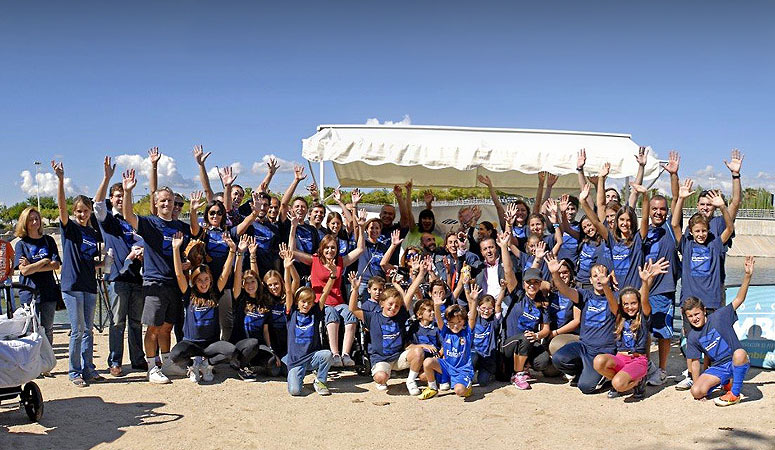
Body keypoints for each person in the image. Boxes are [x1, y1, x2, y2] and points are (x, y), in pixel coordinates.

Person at [122, 167, 192, 384]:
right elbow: (128, 216)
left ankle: (167, 362)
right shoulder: (150, 223)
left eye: (170, 200)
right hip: (155, 282)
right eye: (162, 201)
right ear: (156, 203)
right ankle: (152, 367)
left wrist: (188, 263)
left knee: (167, 327)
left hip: (175, 284)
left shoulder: (181, 227)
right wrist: (128, 192)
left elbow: (188, 254)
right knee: (153, 328)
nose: (167, 204)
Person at [672, 180, 735, 390]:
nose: (700, 234)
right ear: (691, 232)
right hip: (690, 301)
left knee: (711, 341)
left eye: (703, 231)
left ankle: (709, 374)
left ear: (708, 230)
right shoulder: (687, 245)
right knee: (691, 340)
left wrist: (723, 207)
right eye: (697, 231)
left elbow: (730, 227)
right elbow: (675, 225)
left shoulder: (715, 244)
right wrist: (681, 199)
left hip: (711, 301)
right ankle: (692, 375)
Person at [93, 156, 147, 376]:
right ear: (112, 199)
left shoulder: (134, 221)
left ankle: (138, 359)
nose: (120, 199)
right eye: (117, 196)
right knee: (117, 322)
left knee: (136, 322)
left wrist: (142, 253)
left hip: (137, 277)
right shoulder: (108, 220)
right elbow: (97, 205)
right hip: (117, 278)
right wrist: (106, 178)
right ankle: (115, 361)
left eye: (123, 196)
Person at [289, 215, 365, 368]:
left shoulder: (340, 262)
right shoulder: (314, 260)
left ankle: (346, 354)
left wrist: (361, 228)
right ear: (322, 249)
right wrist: (293, 227)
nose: (330, 250)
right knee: (331, 313)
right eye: (327, 248)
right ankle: (335, 354)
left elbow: (360, 249)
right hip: (320, 302)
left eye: (333, 248)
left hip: (338, 302)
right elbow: (293, 251)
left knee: (350, 313)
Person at [53, 160, 102, 387]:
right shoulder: (70, 228)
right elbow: (61, 207)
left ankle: (88, 368)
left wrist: (102, 263)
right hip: (72, 286)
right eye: (79, 211)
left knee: (88, 330)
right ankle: (74, 371)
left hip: (89, 285)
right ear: (74, 212)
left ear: (90, 212)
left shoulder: (92, 233)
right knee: (77, 330)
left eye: (85, 211)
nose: (82, 214)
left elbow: (89, 260)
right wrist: (61, 180)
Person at [168, 231, 238, 383]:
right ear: (194, 281)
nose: (203, 283)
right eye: (199, 280)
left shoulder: (214, 293)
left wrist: (232, 250)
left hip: (210, 344)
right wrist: (175, 249)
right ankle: (193, 365)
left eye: (206, 279)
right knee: (175, 356)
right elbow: (179, 275)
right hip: (191, 342)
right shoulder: (189, 294)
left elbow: (225, 274)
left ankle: (207, 365)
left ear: (211, 280)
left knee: (231, 351)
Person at [684, 256, 755, 407]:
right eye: (690, 316)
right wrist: (697, 384)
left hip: (736, 360)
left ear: (704, 311)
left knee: (740, 353)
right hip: (719, 367)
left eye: (697, 314)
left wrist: (747, 276)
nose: (694, 318)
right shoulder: (692, 336)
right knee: (696, 391)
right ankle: (725, 382)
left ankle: (734, 394)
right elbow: (695, 363)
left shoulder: (720, 316)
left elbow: (739, 299)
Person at [593, 259, 668, 399]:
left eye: (633, 303)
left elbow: (644, 299)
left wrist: (645, 282)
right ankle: (620, 380)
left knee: (618, 384)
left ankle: (639, 381)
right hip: (621, 357)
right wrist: (605, 285)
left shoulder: (644, 316)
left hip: (638, 360)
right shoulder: (619, 316)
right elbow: (611, 300)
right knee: (598, 361)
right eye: (626, 304)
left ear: (638, 304)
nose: (629, 307)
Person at [548, 254, 616, 394]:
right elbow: (565, 290)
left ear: (608, 278)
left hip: (603, 352)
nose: (599, 279)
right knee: (558, 358)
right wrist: (555, 274)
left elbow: (615, 309)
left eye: (602, 275)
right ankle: (582, 371)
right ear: (590, 280)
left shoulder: (614, 297)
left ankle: (607, 377)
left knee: (585, 387)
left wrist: (606, 287)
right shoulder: (585, 295)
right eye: (595, 276)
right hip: (584, 346)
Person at [283, 249, 335, 396]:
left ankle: (320, 381)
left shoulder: (315, 312)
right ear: (297, 302)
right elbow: (288, 290)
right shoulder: (292, 312)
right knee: (295, 391)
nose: (306, 305)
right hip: (296, 360)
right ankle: (296, 375)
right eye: (303, 302)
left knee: (327, 355)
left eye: (309, 302)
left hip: (312, 357)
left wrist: (332, 275)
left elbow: (325, 293)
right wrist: (287, 268)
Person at [349, 272, 413, 392]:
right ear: (382, 304)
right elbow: (353, 309)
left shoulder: (397, 313)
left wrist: (397, 285)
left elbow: (406, 299)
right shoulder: (372, 314)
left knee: (418, 353)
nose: (393, 307)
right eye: (375, 289)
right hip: (380, 354)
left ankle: (411, 380)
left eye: (380, 289)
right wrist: (355, 289)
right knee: (381, 377)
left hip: (397, 355)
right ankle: (382, 374)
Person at [579, 180, 646, 291]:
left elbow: (644, 218)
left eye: (627, 220)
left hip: (633, 291)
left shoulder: (637, 239)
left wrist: (645, 195)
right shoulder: (611, 238)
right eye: (621, 220)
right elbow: (596, 222)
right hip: (614, 290)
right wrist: (583, 201)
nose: (624, 223)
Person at [13, 206, 61, 356]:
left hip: (48, 292)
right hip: (29, 293)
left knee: (48, 329)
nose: (34, 222)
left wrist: (32, 266)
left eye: (36, 219)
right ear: (25, 223)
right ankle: (32, 361)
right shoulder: (21, 244)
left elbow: (56, 265)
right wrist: (44, 261)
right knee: (30, 330)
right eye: (30, 220)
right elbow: (24, 271)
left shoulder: (48, 240)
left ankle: (46, 360)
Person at [230, 236, 278, 381]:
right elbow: (237, 276)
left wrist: (271, 350)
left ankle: (252, 363)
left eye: (253, 282)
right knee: (252, 343)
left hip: (258, 346)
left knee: (273, 366)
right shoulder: (240, 298)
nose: (250, 285)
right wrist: (240, 254)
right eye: (247, 282)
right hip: (241, 344)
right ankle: (241, 366)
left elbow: (265, 330)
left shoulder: (264, 301)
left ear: (258, 283)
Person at [417, 286, 475, 399]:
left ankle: (467, 387)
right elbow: (438, 319)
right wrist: (436, 306)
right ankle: (433, 388)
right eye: (452, 322)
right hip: (447, 366)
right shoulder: (446, 332)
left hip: (462, 370)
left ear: (464, 322)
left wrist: (473, 301)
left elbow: (472, 318)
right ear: (448, 322)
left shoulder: (467, 333)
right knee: (428, 362)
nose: (455, 325)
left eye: (459, 322)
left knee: (459, 391)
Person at [500, 268, 552, 390]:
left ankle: (524, 366)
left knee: (543, 360)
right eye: (529, 282)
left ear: (540, 284)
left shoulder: (542, 303)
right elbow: (508, 271)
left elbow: (546, 329)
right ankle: (518, 374)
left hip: (528, 343)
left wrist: (537, 335)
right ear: (524, 283)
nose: (532, 285)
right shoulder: (518, 295)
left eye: (536, 282)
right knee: (526, 337)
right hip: (509, 344)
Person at [467, 281, 505, 387]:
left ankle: (487, 373)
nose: (486, 311)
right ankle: (468, 374)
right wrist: (473, 298)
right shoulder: (475, 320)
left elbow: (498, 304)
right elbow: (471, 308)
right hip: (475, 354)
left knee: (483, 382)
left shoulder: (494, 322)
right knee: (473, 356)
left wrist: (503, 289)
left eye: (489, 309)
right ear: (478, 308)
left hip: (488, 358)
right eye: (483, 308)